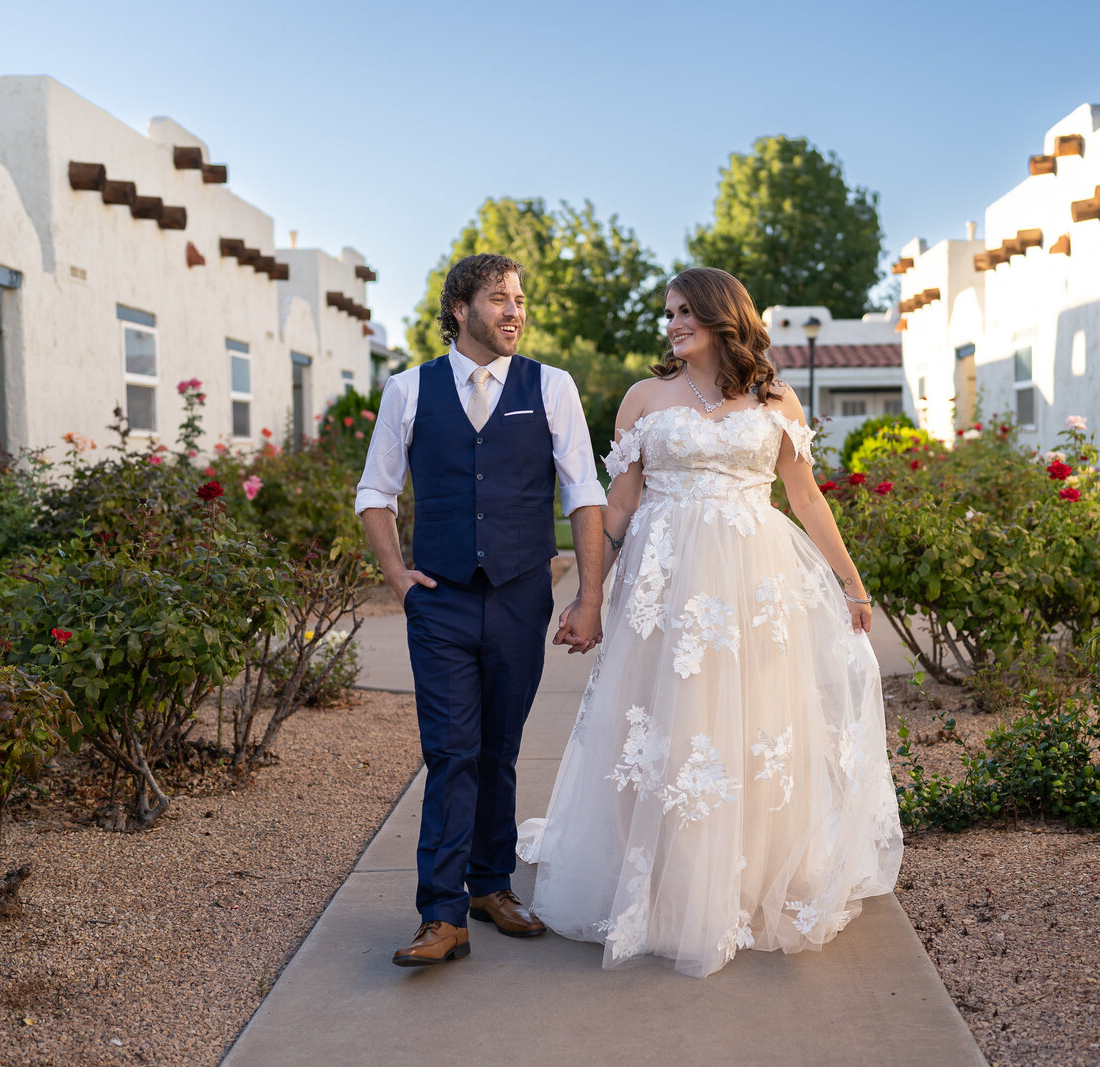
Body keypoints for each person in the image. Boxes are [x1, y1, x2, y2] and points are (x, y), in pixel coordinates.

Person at [518, 267, 903, 978]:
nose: (673, 323)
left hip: (754, 583)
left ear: (724, 316)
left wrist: (851, 580)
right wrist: (585, 588)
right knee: (661, 721)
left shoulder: (775, 397)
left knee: (749, 723)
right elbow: (621, 506)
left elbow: (806, 500)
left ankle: (743, 880)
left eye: (687, 311)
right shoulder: (643, 398)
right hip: (664, 586)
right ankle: (658, 881)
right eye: (668, 312)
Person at [356, 253, 606, 967]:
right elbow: (374, 494)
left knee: (498, 749)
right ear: (460, 309)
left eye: (520, 298)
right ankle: (441, 913)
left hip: (523, 594)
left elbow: (582, 491)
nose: (515, 310)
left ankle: (491, 886)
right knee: (451, 751)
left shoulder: (551, 386)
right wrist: (399, 579)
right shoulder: (407, 390)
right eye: (500, 298)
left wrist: (589, 597)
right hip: (439, 601)